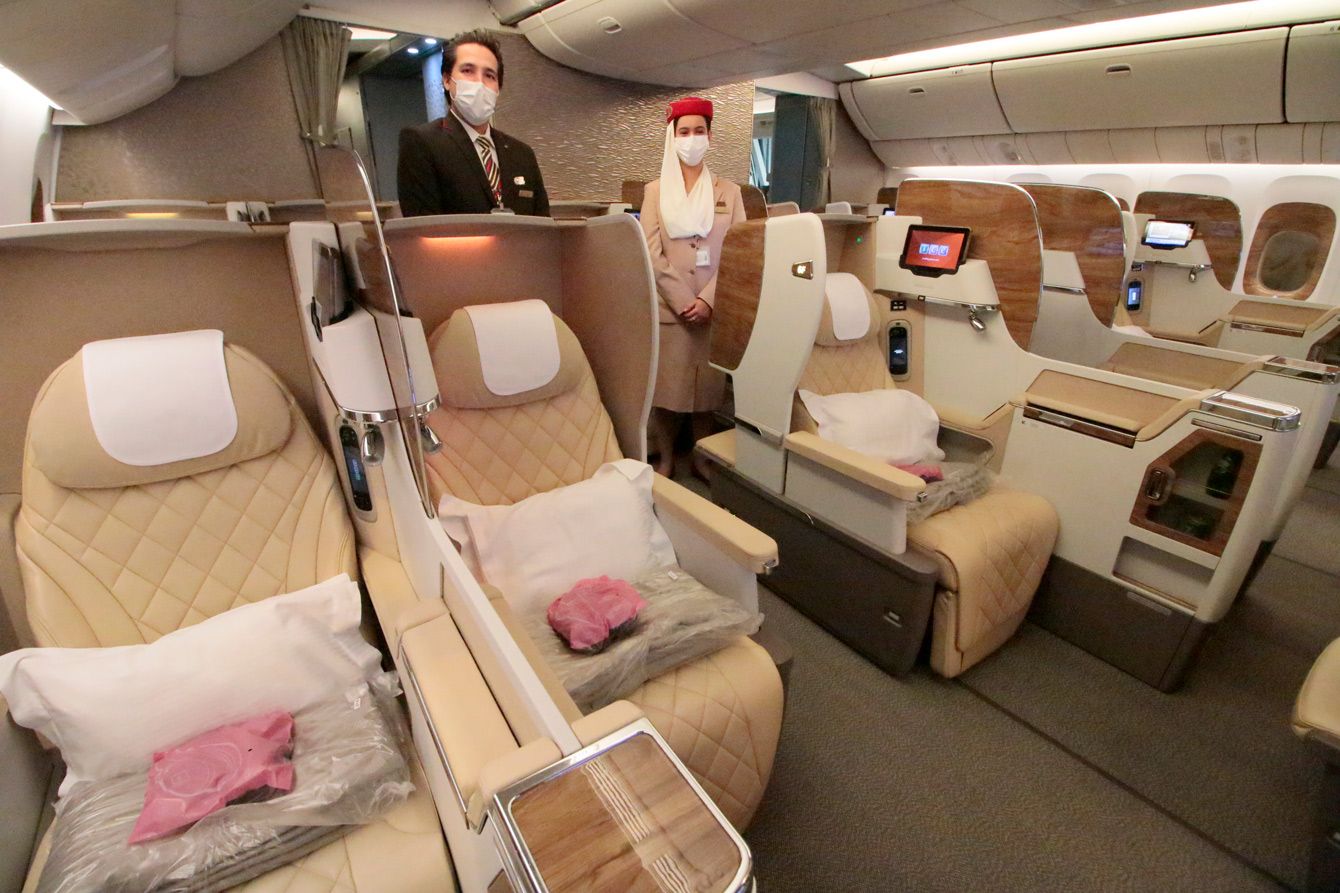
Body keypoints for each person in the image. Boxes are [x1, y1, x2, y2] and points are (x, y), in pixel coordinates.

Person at [639, 97, 745, 479]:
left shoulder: (729, 192)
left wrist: (708, 300)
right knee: (667, 394)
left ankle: (703, 457)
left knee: (707, 395)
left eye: (699, 131)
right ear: (673, 137)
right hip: (673, 310)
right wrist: (685, 300)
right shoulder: (655, 191)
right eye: (684, 132)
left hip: (711, 311)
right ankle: (666, 458)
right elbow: (650, 253)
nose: (692, 138)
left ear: (710, 137)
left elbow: (739, 251)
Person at [397, 30, 549, 217]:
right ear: (447, 80)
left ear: (498, 89)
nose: (479, 83)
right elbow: (423, 227)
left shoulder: (522, 154)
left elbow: (542, 224)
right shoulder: (422, 143)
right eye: (468, 71)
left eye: (489, 75)